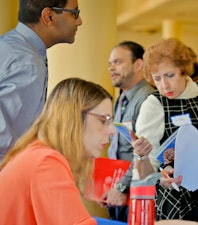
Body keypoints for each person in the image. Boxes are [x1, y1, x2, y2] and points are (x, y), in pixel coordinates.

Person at [0, 78, 112, 224]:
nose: (112, 131)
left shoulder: (38, 153)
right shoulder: (46, 162)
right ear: (74, 117)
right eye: (104, 120)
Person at [134, 37, 198, 225]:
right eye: (157, 79)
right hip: (175, 196)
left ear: (183, 70)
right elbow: (147, 171)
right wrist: (146, 161)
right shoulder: (154, 104)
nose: (164, 86)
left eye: (170, 75)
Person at [0, 0, 83, 162]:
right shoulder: (28, 65)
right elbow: (14, 146)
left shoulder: (7, 46)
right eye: (75, 13)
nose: (80, 21)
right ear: (48, 16)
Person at [102, 41, 155, 222]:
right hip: (119, 190)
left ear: (138, 64)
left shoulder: (147, 99)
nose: (111, 68)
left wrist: (121, 187)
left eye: (118, 62)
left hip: (135, 190)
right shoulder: (121, 99)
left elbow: (144, 150)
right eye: (110, 64)